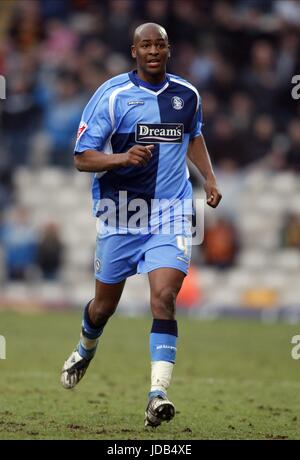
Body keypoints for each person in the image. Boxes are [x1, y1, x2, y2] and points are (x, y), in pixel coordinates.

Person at [61, 23, 222, 427]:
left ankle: (157, 396)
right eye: (145, 45)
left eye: (160, 44)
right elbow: (82, 157)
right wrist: (121, 158)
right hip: (121, 214)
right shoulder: (112, 96)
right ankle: (85, 347)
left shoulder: (188, 95)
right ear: (134, 51)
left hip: (171, 211)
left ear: (168, 50)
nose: (153, 50)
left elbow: (194, 135)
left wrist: (210, 178)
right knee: (103, 307)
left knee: (164, 297)